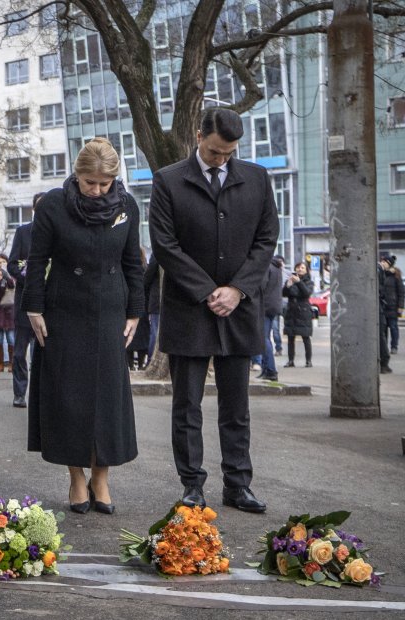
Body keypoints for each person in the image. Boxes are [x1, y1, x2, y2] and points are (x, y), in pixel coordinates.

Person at [149, 107, 279, 514]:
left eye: (229, 153)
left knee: (236, 406)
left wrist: (238, 289)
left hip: (239, 309)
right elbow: (165, 245)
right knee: (186, 405)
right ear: (199, 135)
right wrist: (209, 291)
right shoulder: (168, 179)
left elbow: (266, 239)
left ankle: (238, 485)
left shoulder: (257, 178)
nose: (222, 159)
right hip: (190, 308)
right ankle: (192, 485)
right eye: (215, 151)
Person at [24, 137, 143, 515]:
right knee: (68, 398)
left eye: (103, 184)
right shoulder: (53, 206)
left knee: (107, 398)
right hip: (64, 311)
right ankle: (76, 476)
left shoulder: (127, 206)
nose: (95, 191)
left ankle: (102, 477)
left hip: (110, 310)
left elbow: (133, 263)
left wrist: (135, 311)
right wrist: (34, 309)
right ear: (76, 176)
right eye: (89, 183)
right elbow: (36, 260)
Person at [7, 192, 44, 407]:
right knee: (20, 351)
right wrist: (24, 273)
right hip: (24, 302)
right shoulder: (23, 233)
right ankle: (19, 393)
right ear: (34, 210)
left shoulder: (57, 233)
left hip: (47, 305)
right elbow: (12, 264)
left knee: (42, 352)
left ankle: (41, 394)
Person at [281, 261, 314, 368]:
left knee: (306, 337)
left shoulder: (309, 282)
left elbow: (306, 293)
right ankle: (291, 360)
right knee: (291, 337)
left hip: (303, 311)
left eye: (302, 268)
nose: (300, 269)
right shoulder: (290, 279)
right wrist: (288, 285)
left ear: (306, 270)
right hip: (291, 311)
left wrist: (299, 282)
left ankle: (308, 360)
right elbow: (284, 294)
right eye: (298, 268)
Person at [256, 257, 283, 380]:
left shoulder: (266, 267)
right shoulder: (277, 268)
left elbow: (261, 286)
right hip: (274, 307)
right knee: (266, 337)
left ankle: (270, 370)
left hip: (265, 307)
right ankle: (266, 369)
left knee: (263, 338)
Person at [380, 254, 405, 359]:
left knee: (394, 327)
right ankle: (385, 347)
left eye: (384, 262)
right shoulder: (381, 274)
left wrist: (400, 306)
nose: (382, 263)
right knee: (384, 328)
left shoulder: (396, 276)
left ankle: (394, 346)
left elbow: (401, 292)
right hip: (383, 305)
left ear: (389, 264)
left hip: (393, 306)